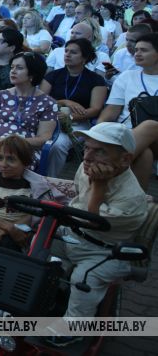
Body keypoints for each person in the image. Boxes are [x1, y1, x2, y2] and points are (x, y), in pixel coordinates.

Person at [46, 123, 148, 348]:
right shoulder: (86, 167)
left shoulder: (131, 199)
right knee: (38, 251)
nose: (88, 157)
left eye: (100, 151)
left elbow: (90, 220)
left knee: (84, 279)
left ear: (124, 160)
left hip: (104, 250)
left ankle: (74, 330)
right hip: (73, 235)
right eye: (87, 148)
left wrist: (99, 187)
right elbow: (77, 195)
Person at [0, 135, 59, 272]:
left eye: (11, 159)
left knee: (8, 245)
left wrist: (3, 232)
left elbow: (36, 214)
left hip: (21, 231)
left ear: (25, 162)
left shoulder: (35, 187)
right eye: (0, 158)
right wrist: (7, 227)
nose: (3, 164)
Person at [0, 52, 58, 179]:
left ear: (32, 73)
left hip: (24, 149)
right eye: (12, 67)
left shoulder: (47, 103)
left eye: (19, 68)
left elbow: (44, 138)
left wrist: (8, 143)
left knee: (13, 166)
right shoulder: (0, 96)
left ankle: (8, 198)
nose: (12, 71)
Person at [98, 32, 158, 189]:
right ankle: (135, 203)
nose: (137, 53)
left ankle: (103, 168)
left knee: (151, 125)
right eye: (136, 49)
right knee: (145, 155)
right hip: (127, 135)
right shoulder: (127, 76)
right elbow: (110, 112)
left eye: (144, 50)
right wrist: (98, 132)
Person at [40, 39, 108, 177]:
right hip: (49, 119)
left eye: (73, 52)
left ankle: (49, 180)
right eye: (66, 51)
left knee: (58, 145)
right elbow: (41, 100)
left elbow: (95, 109)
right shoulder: (53, 75)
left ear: (85, 57)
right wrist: (65, 102)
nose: (67, 55)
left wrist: (70, 117)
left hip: (79, 123)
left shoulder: (96, 80)